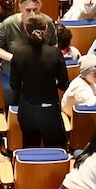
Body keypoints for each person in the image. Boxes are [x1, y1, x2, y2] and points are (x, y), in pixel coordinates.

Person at [10, 14, 69, 148]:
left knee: (30, 149)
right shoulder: (55, 53)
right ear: (46, 29)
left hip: (27, 110)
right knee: (56, 150)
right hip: (49, 111)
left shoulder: (18, 53)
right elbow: (63, 84)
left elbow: (15, 85)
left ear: (25, 30)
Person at [0, 0, 57, 106]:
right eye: (28, 10)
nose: (32, 14)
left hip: (39, 71)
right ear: (20, 7)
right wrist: (15, 58)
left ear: (40, 7)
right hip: (12, 71)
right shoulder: (9, 24)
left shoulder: (47, 22)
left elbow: (54, 45)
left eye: (35, 10)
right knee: (12, 103)